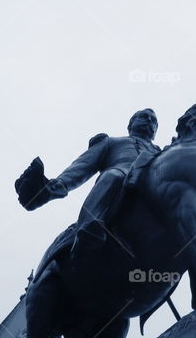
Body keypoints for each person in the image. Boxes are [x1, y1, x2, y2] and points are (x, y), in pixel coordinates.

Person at [15, 108, 160, 254]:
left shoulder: (161, 153)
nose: (148, 121)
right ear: (131, 124)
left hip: (154, 188)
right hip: (120, 180)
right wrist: (58, 184)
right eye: (143, 117)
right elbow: (83, 165)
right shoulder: (111, 142)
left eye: (153, 121)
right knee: (113, 176)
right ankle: (89, 227)